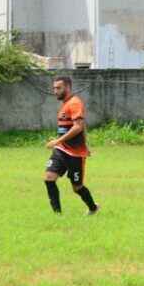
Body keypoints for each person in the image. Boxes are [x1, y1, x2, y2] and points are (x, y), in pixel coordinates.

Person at [44, 76, 99, 215]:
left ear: (67, 87)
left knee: (77, 187)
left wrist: (57, 141)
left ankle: (93, 208)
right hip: (61, 150)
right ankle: (57, 215)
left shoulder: (74, 103)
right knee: (49, 178)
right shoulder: (65, 104)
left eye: (58, 88)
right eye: (54, 88)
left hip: (75, 153)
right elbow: (71, 127)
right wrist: (59, 141)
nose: (55, 91)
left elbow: (78, 127)